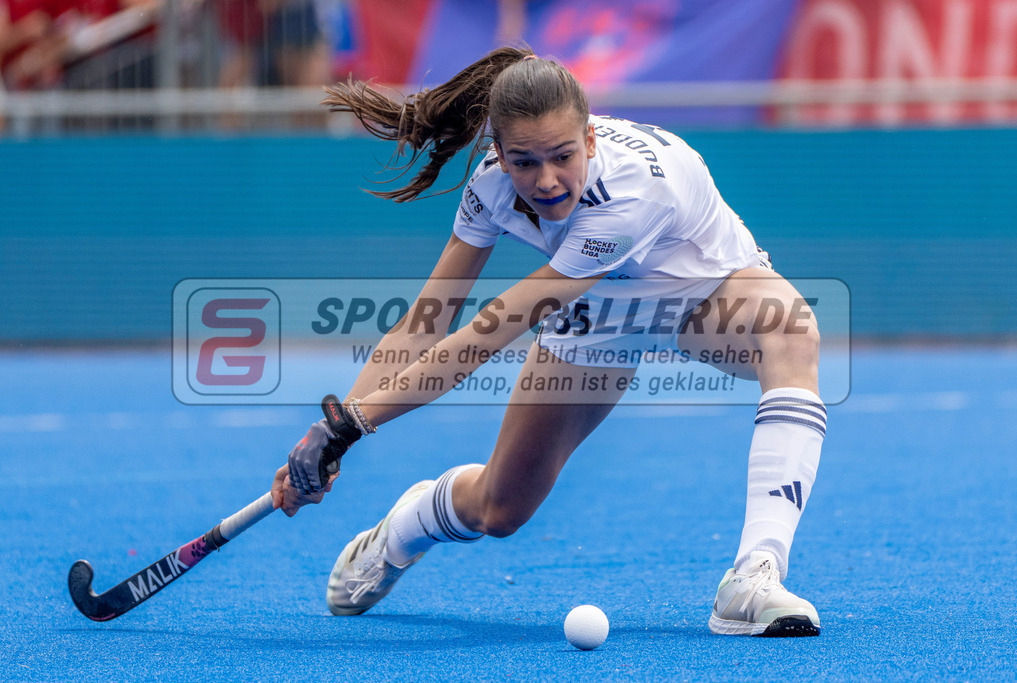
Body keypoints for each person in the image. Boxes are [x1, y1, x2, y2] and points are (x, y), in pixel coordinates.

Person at [269, 46, 827, 637]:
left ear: (589, 140)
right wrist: (337, 435)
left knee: (791, 332)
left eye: (562, 156)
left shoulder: (632, 196)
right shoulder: (490, 188)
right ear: (500, 157)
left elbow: (484, 336)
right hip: (596, 308)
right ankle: (409, 523)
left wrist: (350, 423)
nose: (547, 180)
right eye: (525, 163)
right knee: (501, 508)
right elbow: (425, 321)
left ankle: (755, 574)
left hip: (703, 290)